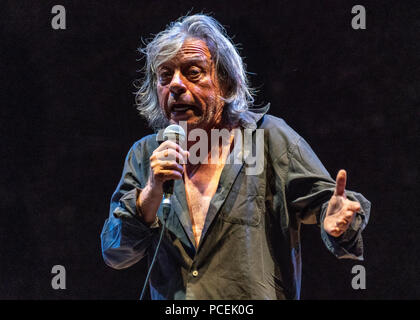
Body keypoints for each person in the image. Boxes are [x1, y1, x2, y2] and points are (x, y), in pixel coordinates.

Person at [100, 14, 370, 300]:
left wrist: (339, 219)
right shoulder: (145, 155)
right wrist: (152, 192)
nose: (176, 85)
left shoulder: (268, 139)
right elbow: (116, 253)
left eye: (192, 72)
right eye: (165, 76)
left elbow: (334, 209)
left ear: (226, 84)